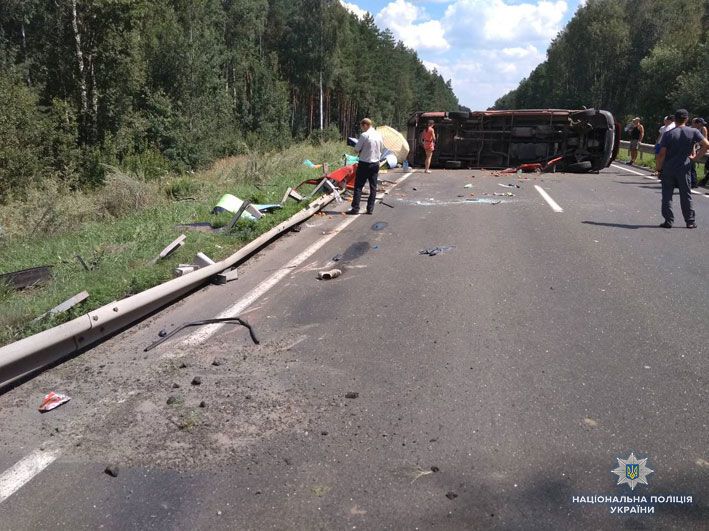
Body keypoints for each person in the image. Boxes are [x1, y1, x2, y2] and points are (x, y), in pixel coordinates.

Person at [655, 109, 709, 229]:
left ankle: (668, 221)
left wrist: (659, 169)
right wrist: (695, 158)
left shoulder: (668, 134)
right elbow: (706, 144)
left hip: (669, 168)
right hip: (684, 167)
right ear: (687, 119)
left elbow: (661, 154)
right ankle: (690, 221)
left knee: (667, 195)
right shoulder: (693, 131)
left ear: (675, 119)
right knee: (686, 194)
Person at [348, 118, 384, 215]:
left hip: (364, 163)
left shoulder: (364, 135)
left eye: (362, 127)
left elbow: (356, 149)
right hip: (375, 163)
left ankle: (355, 208)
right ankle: (370, 209)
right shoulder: (379, 135)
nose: (362, 129)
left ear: (365, 125)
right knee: (373, 187)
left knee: (358, 186)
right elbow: (381, 148)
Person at [690, 118, 707, 187]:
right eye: (701, 123)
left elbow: (705, 139)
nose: (703, 124)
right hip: (693, 146)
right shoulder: (693, 129)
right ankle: (693, 181)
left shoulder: (703, 128)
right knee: (691, 165)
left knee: (692, 165)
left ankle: (693, 182)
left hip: (699, 147)